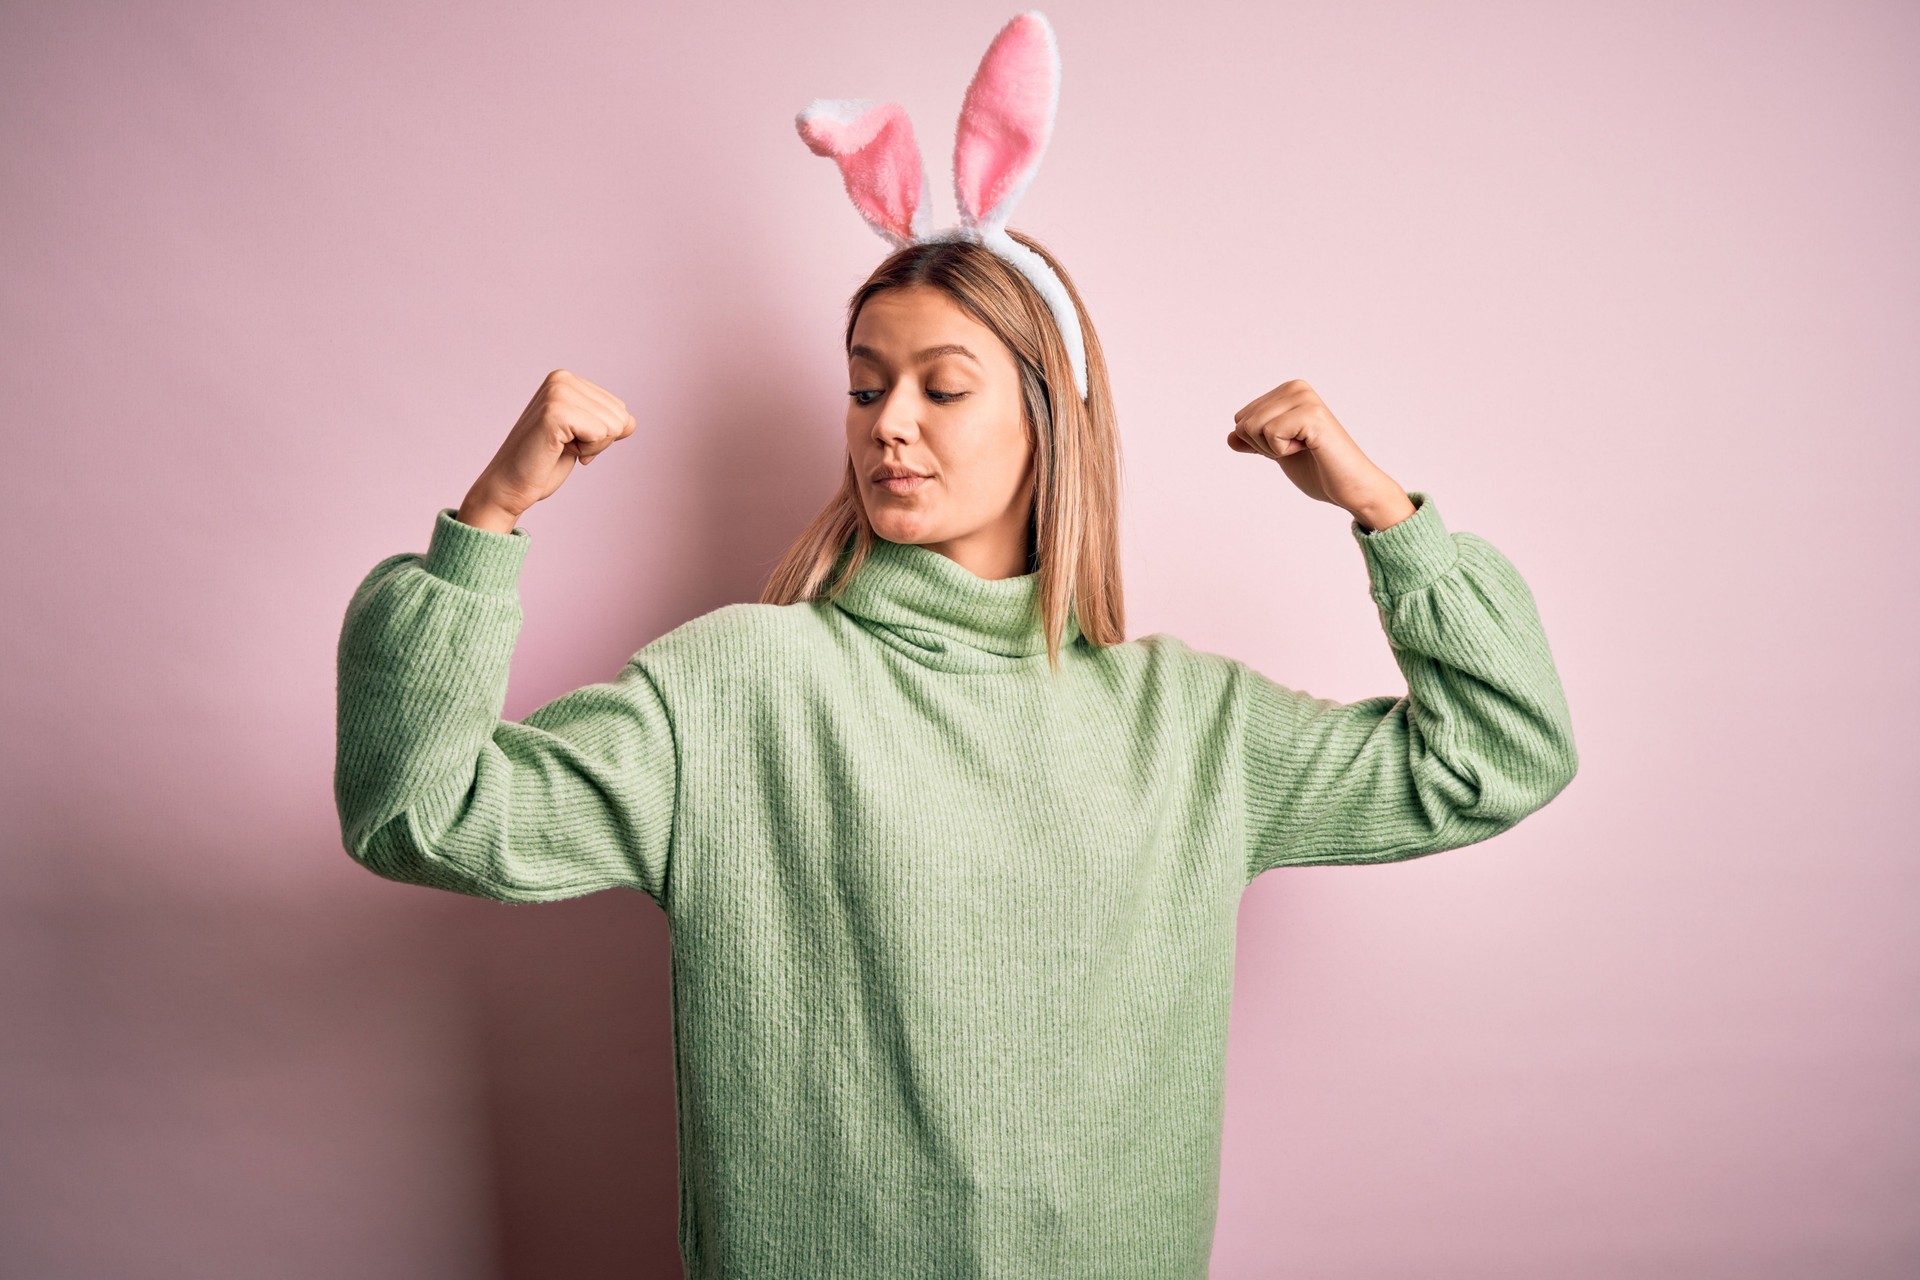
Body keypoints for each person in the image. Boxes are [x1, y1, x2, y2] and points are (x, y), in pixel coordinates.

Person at [333, 229, 1578, 1278]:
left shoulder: (1191, 728)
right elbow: (422, 813)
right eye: (867, 387)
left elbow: (1501, 751)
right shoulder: (739, 688)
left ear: (1047, 414)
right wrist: (486, 522)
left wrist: (1389, 519)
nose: (893, 425)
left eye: (943, 384)